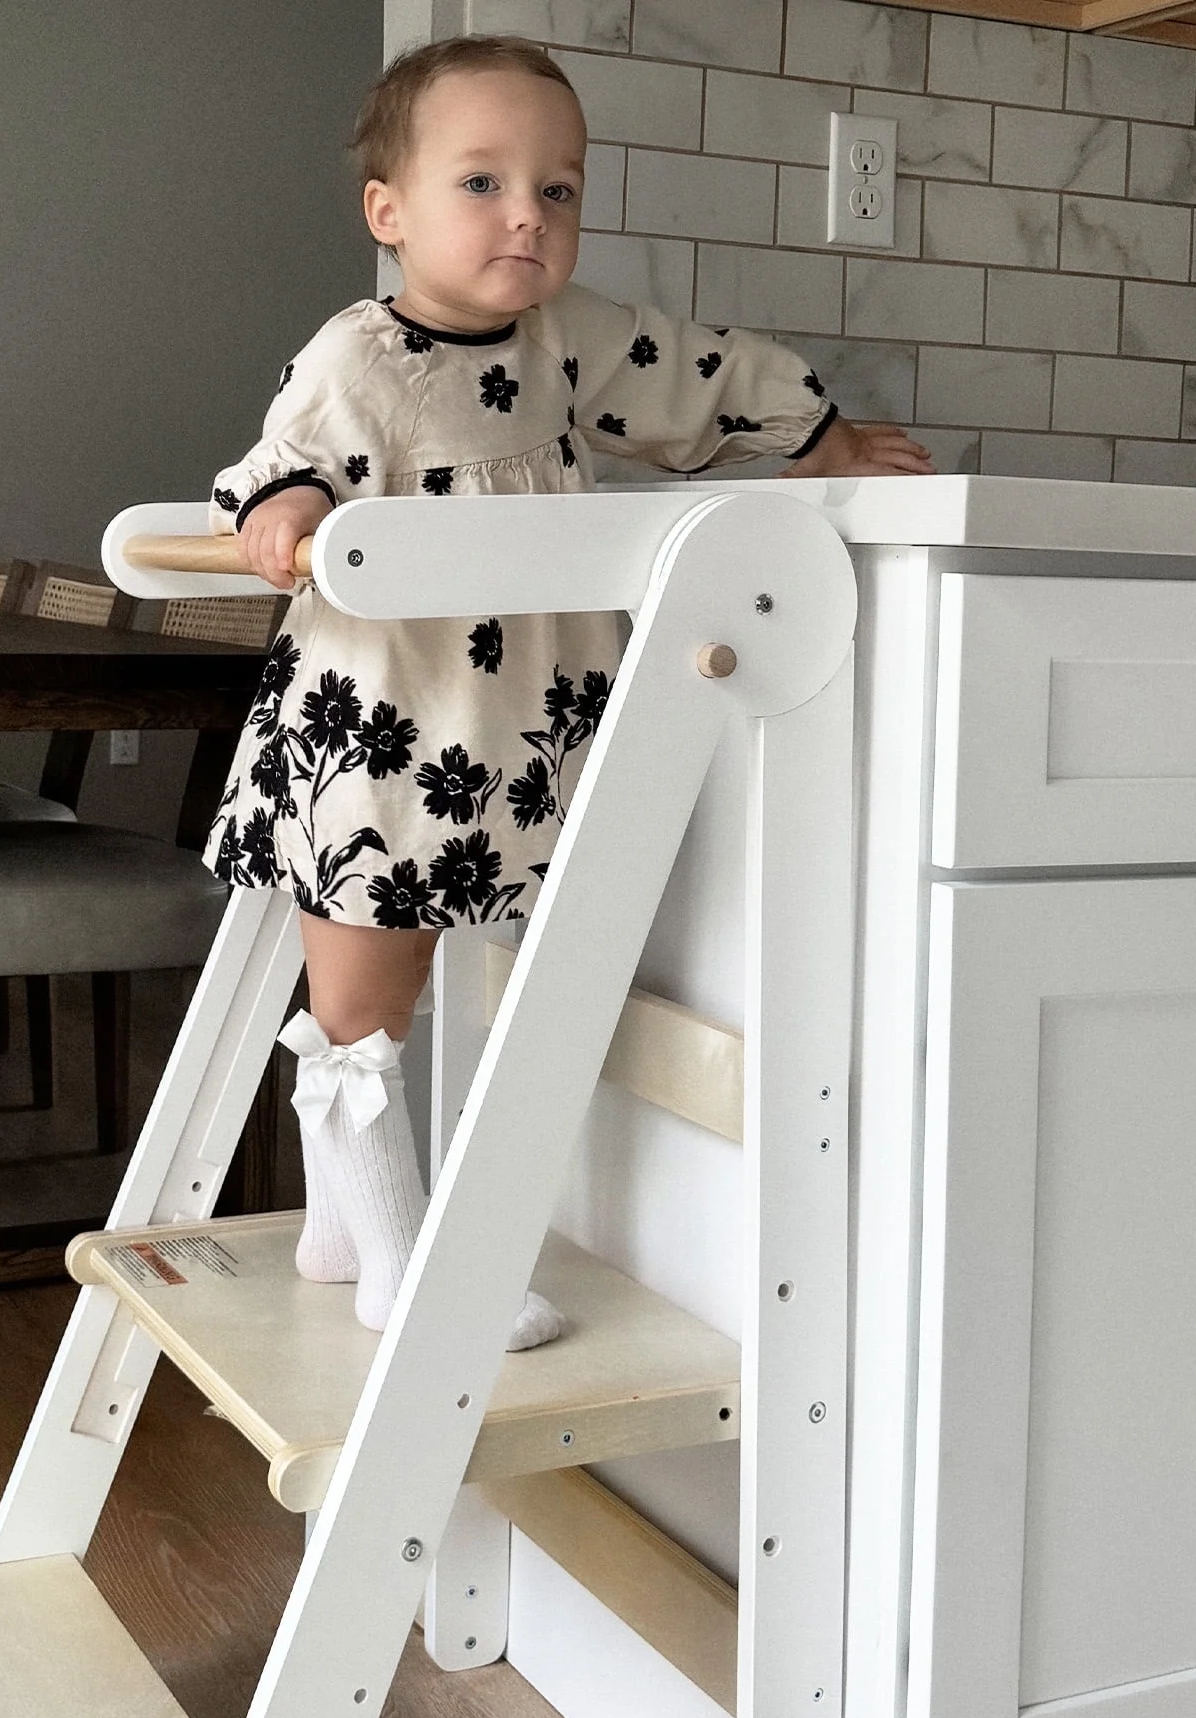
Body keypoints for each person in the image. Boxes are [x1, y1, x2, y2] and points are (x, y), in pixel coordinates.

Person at [204, 33, 933, 1347]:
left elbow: (691, 369)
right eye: (482, 184)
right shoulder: (360, 355)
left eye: (559, 189)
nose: (528, 217)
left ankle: (337, 1230)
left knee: (443, 969)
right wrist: (290, 508)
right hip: (379, 734)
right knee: (366, 993)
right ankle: (398, 1257)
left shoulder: (564, 341)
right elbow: (281, 457)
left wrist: (816, 436)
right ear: (389, 212)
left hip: (511, 732)